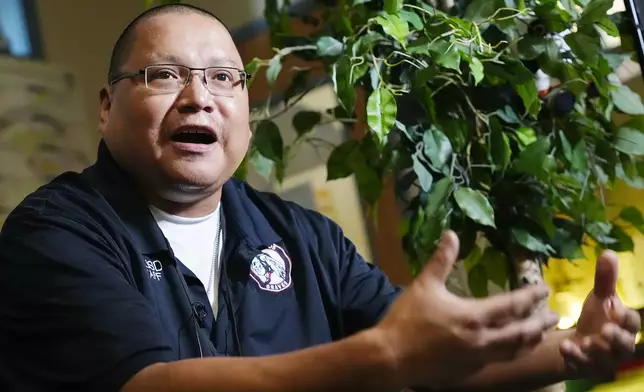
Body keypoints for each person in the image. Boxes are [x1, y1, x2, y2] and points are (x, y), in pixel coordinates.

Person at [0, 4, 639, 392]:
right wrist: (386, 356)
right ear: (107, 107)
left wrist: (573, 344)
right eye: (165, 76)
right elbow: (152, 386)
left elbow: (435, 361)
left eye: (224, 78)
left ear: (246, 113)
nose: (199, 96)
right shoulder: (53, 234)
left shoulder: (301, 237)